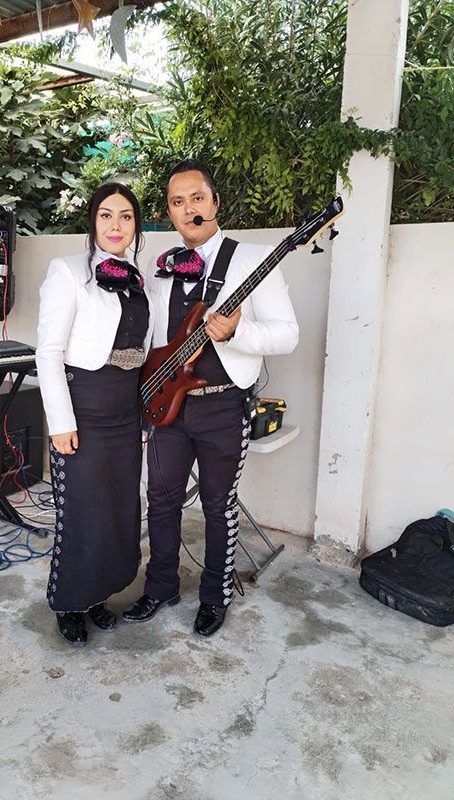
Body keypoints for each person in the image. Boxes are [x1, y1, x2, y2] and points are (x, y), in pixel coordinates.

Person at [123, 160, 299, 637]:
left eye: (197, 198)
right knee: (159, 501)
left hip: (223, 406)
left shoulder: (252, 261)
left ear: (215, 202)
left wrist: (239, 330)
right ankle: (159, 587)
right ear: (170, 212)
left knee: (219, 505)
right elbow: (153, 337)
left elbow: (287, 335)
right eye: (178, 203)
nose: (189, 209)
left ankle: (215, 593)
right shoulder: (162, 268)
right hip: (167, 405)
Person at [36, 183, 154, 646]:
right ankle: (69, 603)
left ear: (136, 227)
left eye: (126, 217)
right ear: (92, 221)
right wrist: (60, 423)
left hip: (126, 410)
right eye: (107, 216)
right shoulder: (66, 272)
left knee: (119, 509)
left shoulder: (138, 278)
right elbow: (48, 351)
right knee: (82, 512)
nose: (116, 226)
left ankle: (100, 594)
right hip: (82, 407)